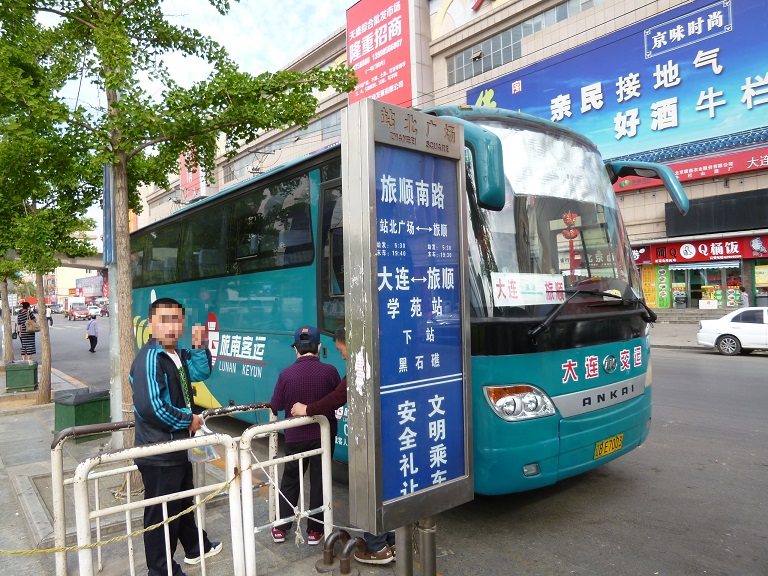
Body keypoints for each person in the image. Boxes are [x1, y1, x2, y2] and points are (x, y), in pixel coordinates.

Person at [130, 298, 222, 576]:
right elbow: (152, 407)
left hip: (177, 447)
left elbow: (200, 372)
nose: (171, 326)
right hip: (159, 452)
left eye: (176, 319)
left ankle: (195, 548)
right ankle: (160, 570)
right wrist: (189, 420)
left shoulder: (175, 355)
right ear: (151, 324)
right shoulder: (150, 359)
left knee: (181, 503)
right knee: (161, 516)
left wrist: (199, 346)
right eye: (164, 319)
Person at [291, 326, 396, 565]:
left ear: (352, 343)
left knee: (370, 487)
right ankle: (391, 542)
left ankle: (377, 547)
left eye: (341, 350)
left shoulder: (362, 364)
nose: (343, 356)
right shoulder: (382, 354)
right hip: (391, 431)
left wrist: (307, 409)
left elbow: (338, 397)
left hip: (373, 434)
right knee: (386, 486)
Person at [270, 325, 340, 546]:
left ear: (295, 349)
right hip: (323, 436)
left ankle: (281, 527)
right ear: (318, 347)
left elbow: (276, 405)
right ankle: (315, 531)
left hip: (295, 437)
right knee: (319, 480)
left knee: (291, 479)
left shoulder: (286, 374)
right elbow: (337, 400)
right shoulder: (330, 372)